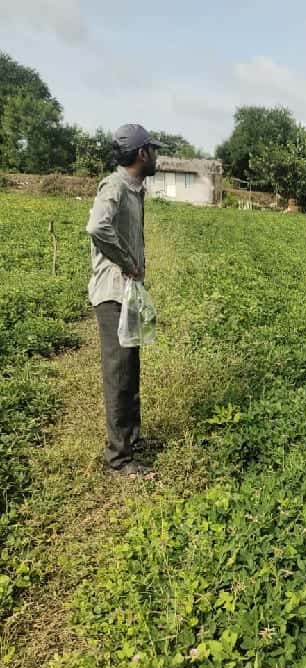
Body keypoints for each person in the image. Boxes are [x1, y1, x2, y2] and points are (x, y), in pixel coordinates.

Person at [86, 123, 163, 478]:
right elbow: (97, 227)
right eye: (153, 150)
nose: (157, 156)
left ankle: (131, 439)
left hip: (126, 292)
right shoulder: (115, 186)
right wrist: (127, 261)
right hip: (112, 294)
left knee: (130, 369)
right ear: (142, 153)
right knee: (119, 374)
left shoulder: (134, 188)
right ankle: (118, 459)